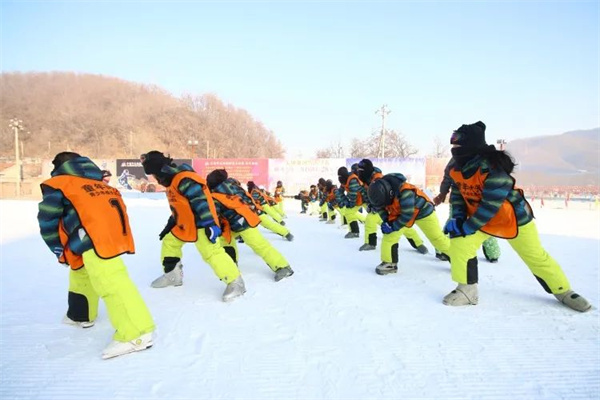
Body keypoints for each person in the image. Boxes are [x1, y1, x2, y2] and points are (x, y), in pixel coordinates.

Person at [441, 121, 590, 312]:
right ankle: (466, 290)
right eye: (453, 143)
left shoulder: (491, 167)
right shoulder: (457, 168)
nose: (454, 148)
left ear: (470, 144)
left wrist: (469, 226)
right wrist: (458, 218)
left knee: (535, 255)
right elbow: (458, 193)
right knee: (460, 243)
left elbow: (490, 206)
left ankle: (563, 290)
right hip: (482, 220)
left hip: (513, 219)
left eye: (458, 143)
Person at [38, 152, 155, 359]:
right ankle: (80, 314)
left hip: (91, 238)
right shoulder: (101, 183)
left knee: (110, 282)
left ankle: (136, 333)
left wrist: (57, 248)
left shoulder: (60, 183)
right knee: (81, 271)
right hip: (110, 236)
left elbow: (47, 220)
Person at [141, 151, 245, 302]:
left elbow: (200, 200)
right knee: (170, 242)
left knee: (210, 251)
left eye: (154, 175)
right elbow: (180, 206)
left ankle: (236, 282)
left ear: (159, 171)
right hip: (185, 223)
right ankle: (172, 275)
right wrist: (171, 224)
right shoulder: (172, 181)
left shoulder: (184, 179)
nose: (155, 180)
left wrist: (209, 223)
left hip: (202, 222)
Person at [207, 169, 294, 281]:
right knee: (229, 241)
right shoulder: (233, 186)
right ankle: (232, 265)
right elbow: (246, 198)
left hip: (239, 222)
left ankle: (283, 267)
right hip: (245, 218)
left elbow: (215, 214)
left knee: (256, 244)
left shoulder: (215, 195)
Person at [368, 173, 451, 275]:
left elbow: (407, 215)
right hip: (400, 213)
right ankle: (389, 263)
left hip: (423, 212)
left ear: (390, 193)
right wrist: (387, 221)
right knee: (389, 236)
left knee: (437, 238)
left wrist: (393, 226)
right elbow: (379, 208)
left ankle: (458, 260)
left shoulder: (405, 192)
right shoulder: (378, 193)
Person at [434, 159, 501, 263]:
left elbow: (447, 177)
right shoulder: (457, 160)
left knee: (482, 224)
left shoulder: (481, 159)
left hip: (477, 199)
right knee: (455, 223)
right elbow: (448, 177)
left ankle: (493, 253)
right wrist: (442, 193)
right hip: (463, 199)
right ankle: (442, 249)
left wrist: (442, 193)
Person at [357, 159, 430, 254]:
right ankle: (370, 242)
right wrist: (371, 204)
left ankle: (418, 243)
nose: (359, 173)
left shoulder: (377, 178)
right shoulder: (365, 179)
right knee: (394, 225)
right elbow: (369, 194)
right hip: (378, 206)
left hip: (385, 206)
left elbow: (381, 194)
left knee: (399, 225)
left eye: (361, 170)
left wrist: (375, 206)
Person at [337, 166, 366, 239]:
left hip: (365, 198)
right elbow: (339, 191)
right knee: (349, 212)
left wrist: (351, 204)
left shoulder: (352, 179)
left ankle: (388, 227)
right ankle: (354, 231)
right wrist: (344, 200)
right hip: (358, 199)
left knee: (375, 215)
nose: (339, 178)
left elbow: (353, 193)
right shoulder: (344, 179)